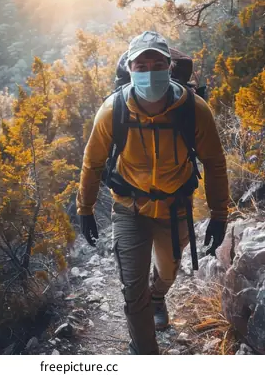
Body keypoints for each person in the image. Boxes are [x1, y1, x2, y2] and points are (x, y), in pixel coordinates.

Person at [76, 31, 230, 355]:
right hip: (129, 209)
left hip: (176, 210)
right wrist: (85, 209)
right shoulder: (112, 111)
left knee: (168, 270)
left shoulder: (193, 110)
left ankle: (158, 295)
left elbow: (215, 163)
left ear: (170, 67)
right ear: (129, 69)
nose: (148, 71)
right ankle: (145, 353)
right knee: (133, 290)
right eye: (141, 65)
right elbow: (92, 163)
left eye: (156, 63)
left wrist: (219, 216)